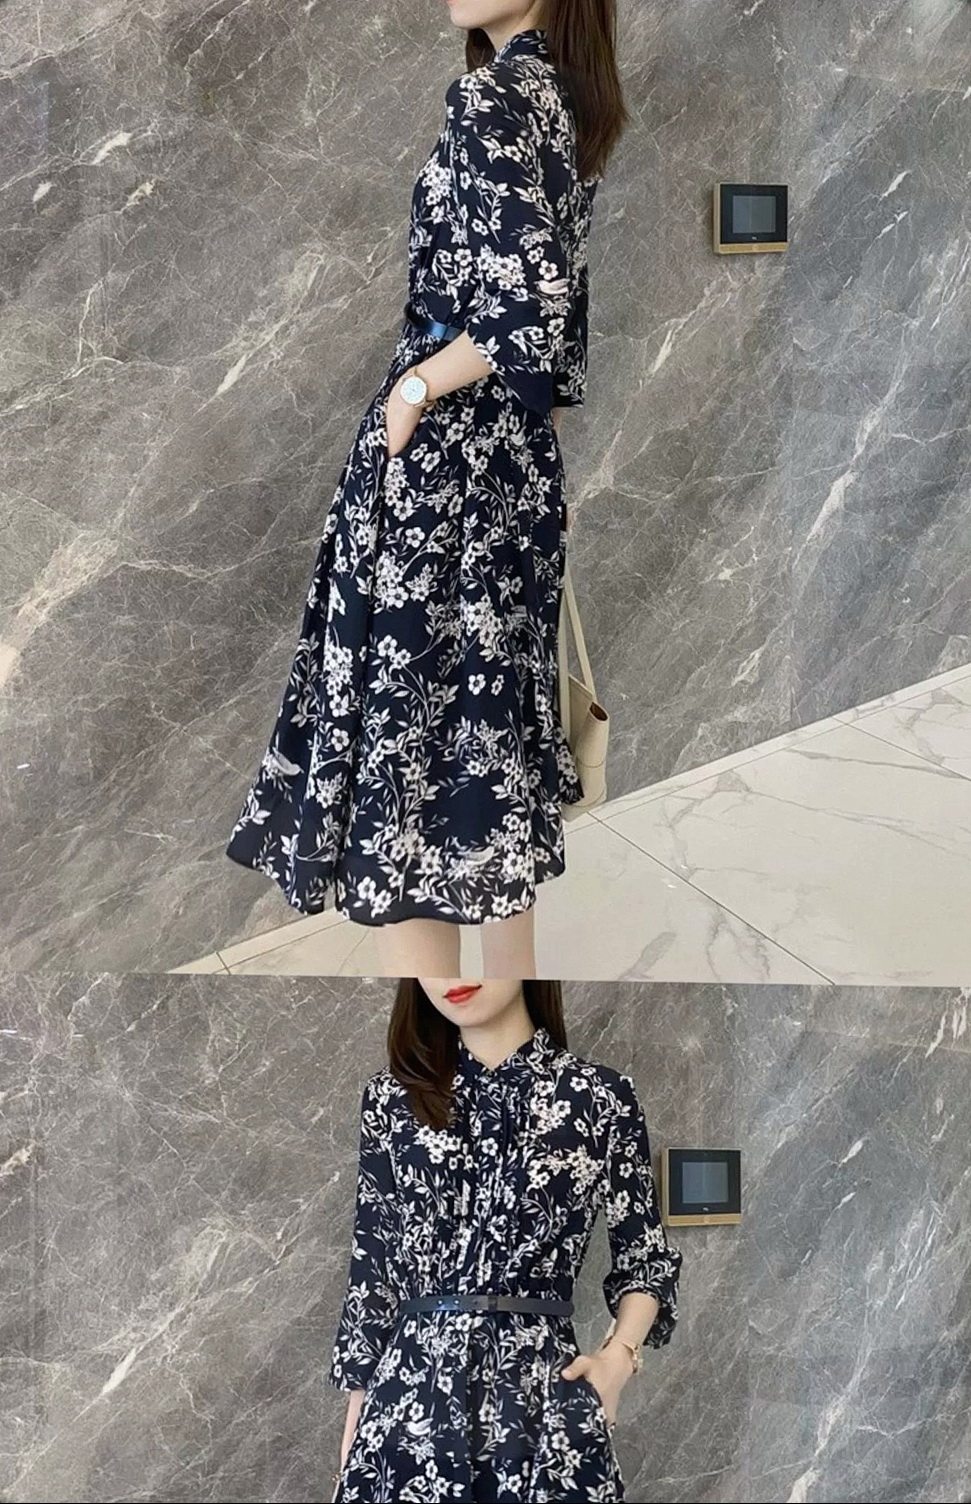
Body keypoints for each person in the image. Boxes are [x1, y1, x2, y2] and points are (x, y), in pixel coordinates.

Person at [225, 2, 630, 978]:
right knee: (485, 750)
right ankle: (502, 1020)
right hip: (513, 461)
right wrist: (539, 455)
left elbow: (527, 307)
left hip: (442, 468)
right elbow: (560, 324)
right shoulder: (564, 99)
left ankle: (453, 1023)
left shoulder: (492, 96)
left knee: (407, 756)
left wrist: (414, 392)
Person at [329, 979, 682, 1502]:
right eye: (436, 956)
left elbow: (646, 1258)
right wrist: (358, 1414)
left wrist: (618, 1360)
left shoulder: (600, 1097)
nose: (452, 974)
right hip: (408, 1403)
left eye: (474, 946)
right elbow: (372, 1265)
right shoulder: (390, 1097)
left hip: (541, 1402)